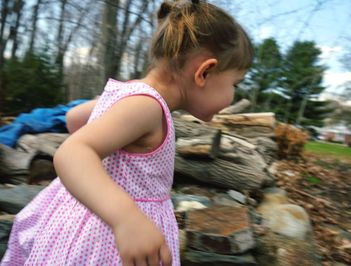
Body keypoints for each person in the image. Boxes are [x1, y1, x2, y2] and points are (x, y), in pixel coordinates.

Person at [1, 0, 253, 265]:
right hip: (103, 241)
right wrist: (127, 218)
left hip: (78, 218)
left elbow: (75, 119)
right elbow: (72, 151)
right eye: (234, 83)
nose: (233, 93)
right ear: (205, 72)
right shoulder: (146, 106)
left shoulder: (129, 92)